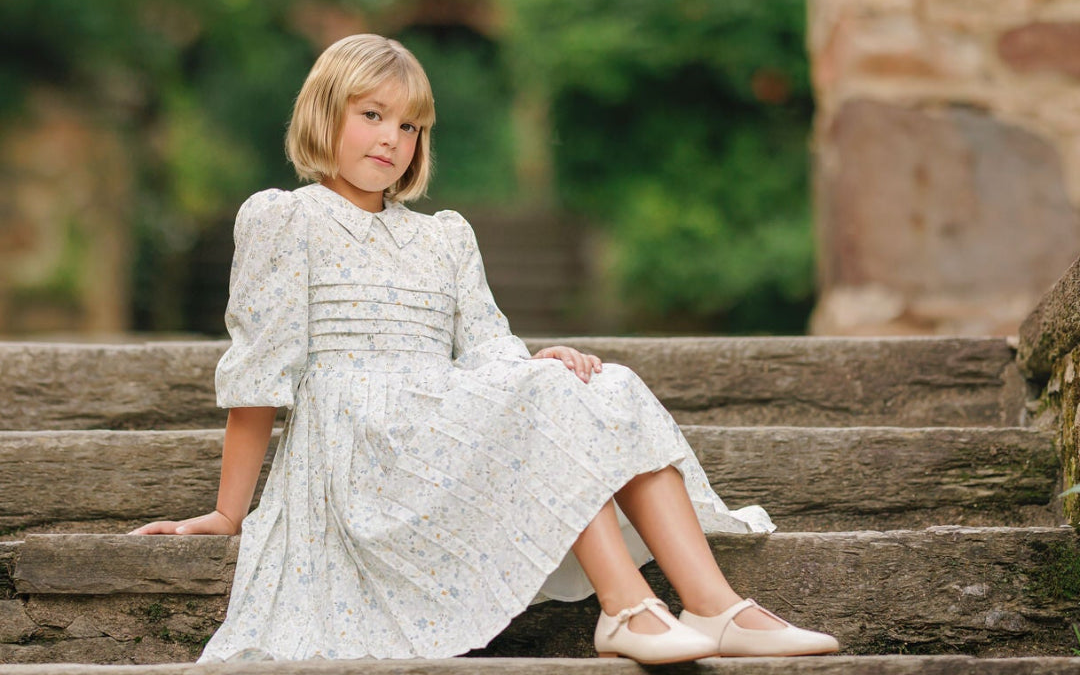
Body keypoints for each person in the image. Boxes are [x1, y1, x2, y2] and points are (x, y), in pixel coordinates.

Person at [132, 33, 839, 664]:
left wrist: (537, 363)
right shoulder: (286, 219)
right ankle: (624, 608)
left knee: (604, 385)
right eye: (371, 115)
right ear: (324, 114)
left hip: (440, 421)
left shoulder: (444, 235)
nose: (391, 139)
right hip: (364, 448)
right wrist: (229, 512)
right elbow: (261, 374)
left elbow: (487, 346)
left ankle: (711, 605)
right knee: (544, 405)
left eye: (409, 125)